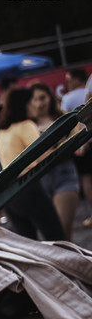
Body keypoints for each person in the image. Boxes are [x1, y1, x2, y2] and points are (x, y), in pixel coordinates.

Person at [0, 88, 66, 241]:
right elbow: (42, 156)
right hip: (29, 188)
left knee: (29, 246)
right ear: (25, 104)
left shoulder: (3, 131)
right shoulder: (26, 125)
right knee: (57, 239)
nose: (36, 105)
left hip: (9, 194)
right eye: (32, 101)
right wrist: (65, 144)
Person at [29, 82, 81, 240]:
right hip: (39, 180)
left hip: (64, 175)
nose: (39, 103)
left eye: (43, 98)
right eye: (35, 99)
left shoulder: (63, 117)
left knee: (62, 236)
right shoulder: (27, 124)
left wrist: (73, 142)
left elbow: (78, 135)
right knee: (50, 239)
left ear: (50, 98)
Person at [60, 69, 92, 228]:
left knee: (87, 179)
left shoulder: (67, 98)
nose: (67, 83)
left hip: (84, 141)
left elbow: (67, 123)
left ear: (77, 79)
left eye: (69, 79)